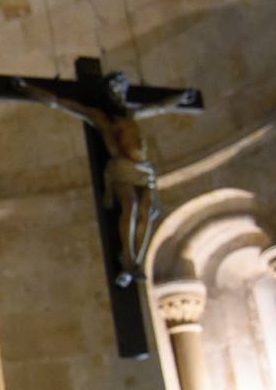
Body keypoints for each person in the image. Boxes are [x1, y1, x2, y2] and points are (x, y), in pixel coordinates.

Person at [12, 72, 197, 287]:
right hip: (122, 167)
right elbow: (58, 102)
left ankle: (136, 263)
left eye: (122, 90)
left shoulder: (132, 113)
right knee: (131, 205)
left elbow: (161, 106)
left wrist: (181, 97)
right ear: (107, 93)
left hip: (145, 171)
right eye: (115, 90)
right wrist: (26, 88)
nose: (120, 95)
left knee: (146, 213)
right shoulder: (99, 117)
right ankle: (127, 258)